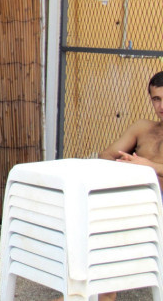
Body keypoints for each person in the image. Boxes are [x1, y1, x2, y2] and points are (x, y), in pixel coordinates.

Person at [52, 71, 163, 301]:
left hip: (154, 209)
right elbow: (106, 155)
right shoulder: (143, 128)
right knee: (84, 216)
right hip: (129, 202)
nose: (161, 106)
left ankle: (100, 293)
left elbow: (147, 166)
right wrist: (126, 164)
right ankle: (83, 290)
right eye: (156, 99)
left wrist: (148, 166)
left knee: (107, 226)